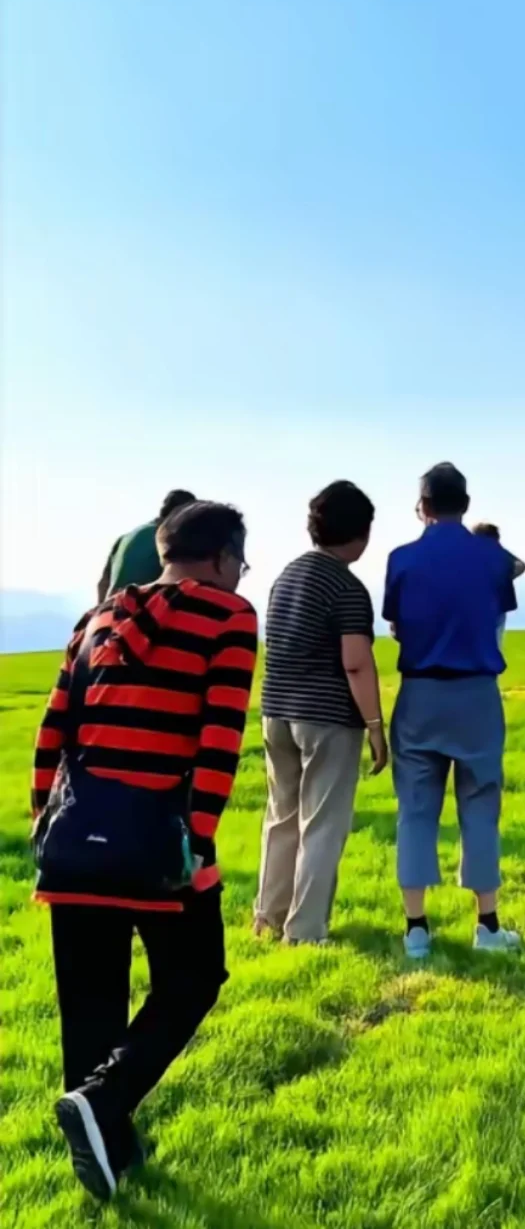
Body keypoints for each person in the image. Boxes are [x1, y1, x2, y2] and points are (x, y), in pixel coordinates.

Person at [32, 502, 257, 1201]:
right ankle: (105, 1104)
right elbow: (217, 736)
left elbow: (52, 731)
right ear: (222, 557)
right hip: (158, 842)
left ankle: (110, 1156)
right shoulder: (230, 616)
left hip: (73, 848)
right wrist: (198, 834)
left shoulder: (95, 618)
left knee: (90, 1005)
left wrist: (47, 823)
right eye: (241, 563)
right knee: (194, 977)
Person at [383, 463, 520, 960]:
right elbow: (497, 610)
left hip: (420, 692)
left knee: (416, 809)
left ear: (422, 506)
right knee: (481, 807)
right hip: (477, 693)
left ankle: (416, 930)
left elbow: (397, 622)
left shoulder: (402, 559)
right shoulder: (492, 557)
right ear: (466, 503)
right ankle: (487, 927)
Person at [255, 481, 387, 945]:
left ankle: (267, 916)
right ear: (360, 534)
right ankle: (306, 929)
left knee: (281, 817)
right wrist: (375, 725)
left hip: (276, 711)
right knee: (323, 825)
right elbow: (355, 661)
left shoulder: (286, 576)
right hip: (327, 718)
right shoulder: (348, 588)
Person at [96, 490, 197, 602]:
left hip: (110, 609)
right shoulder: (170, 539)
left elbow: (103, 584)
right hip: (141, 610)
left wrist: (102, 612)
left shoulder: (125, 538)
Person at [472, 522, 525, 644]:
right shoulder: (500, 553)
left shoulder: (472, 552)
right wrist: (507, 577)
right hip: (500, 604)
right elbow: (521, 565)